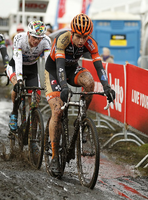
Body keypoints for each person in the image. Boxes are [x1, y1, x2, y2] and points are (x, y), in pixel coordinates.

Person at [44, 13, 116, 176]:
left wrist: (106, 86)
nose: (82, 41)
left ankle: (82, 117)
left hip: (72, 69)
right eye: (78, 36)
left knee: (90, 82)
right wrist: (63, 87)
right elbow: (60, 66)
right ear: (72, 33)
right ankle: (55, 156)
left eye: (85, 36)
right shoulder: (63, 39)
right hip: (54, 71)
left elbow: (99, 66)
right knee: (57, 111)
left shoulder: (91, 43)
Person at [6, 20, 51, 132]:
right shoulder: (19, 39)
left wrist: (50, 80)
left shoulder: (46, 41)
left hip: (32, 68)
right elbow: (18, 60)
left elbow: (48, 64)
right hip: (16, 66)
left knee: (35, 99)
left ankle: (32, 133)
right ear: (28, 34)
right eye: (34, 37)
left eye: (39, 38)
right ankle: (14, 113)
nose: (36, 41)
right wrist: (19, 79)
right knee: (17, 86)